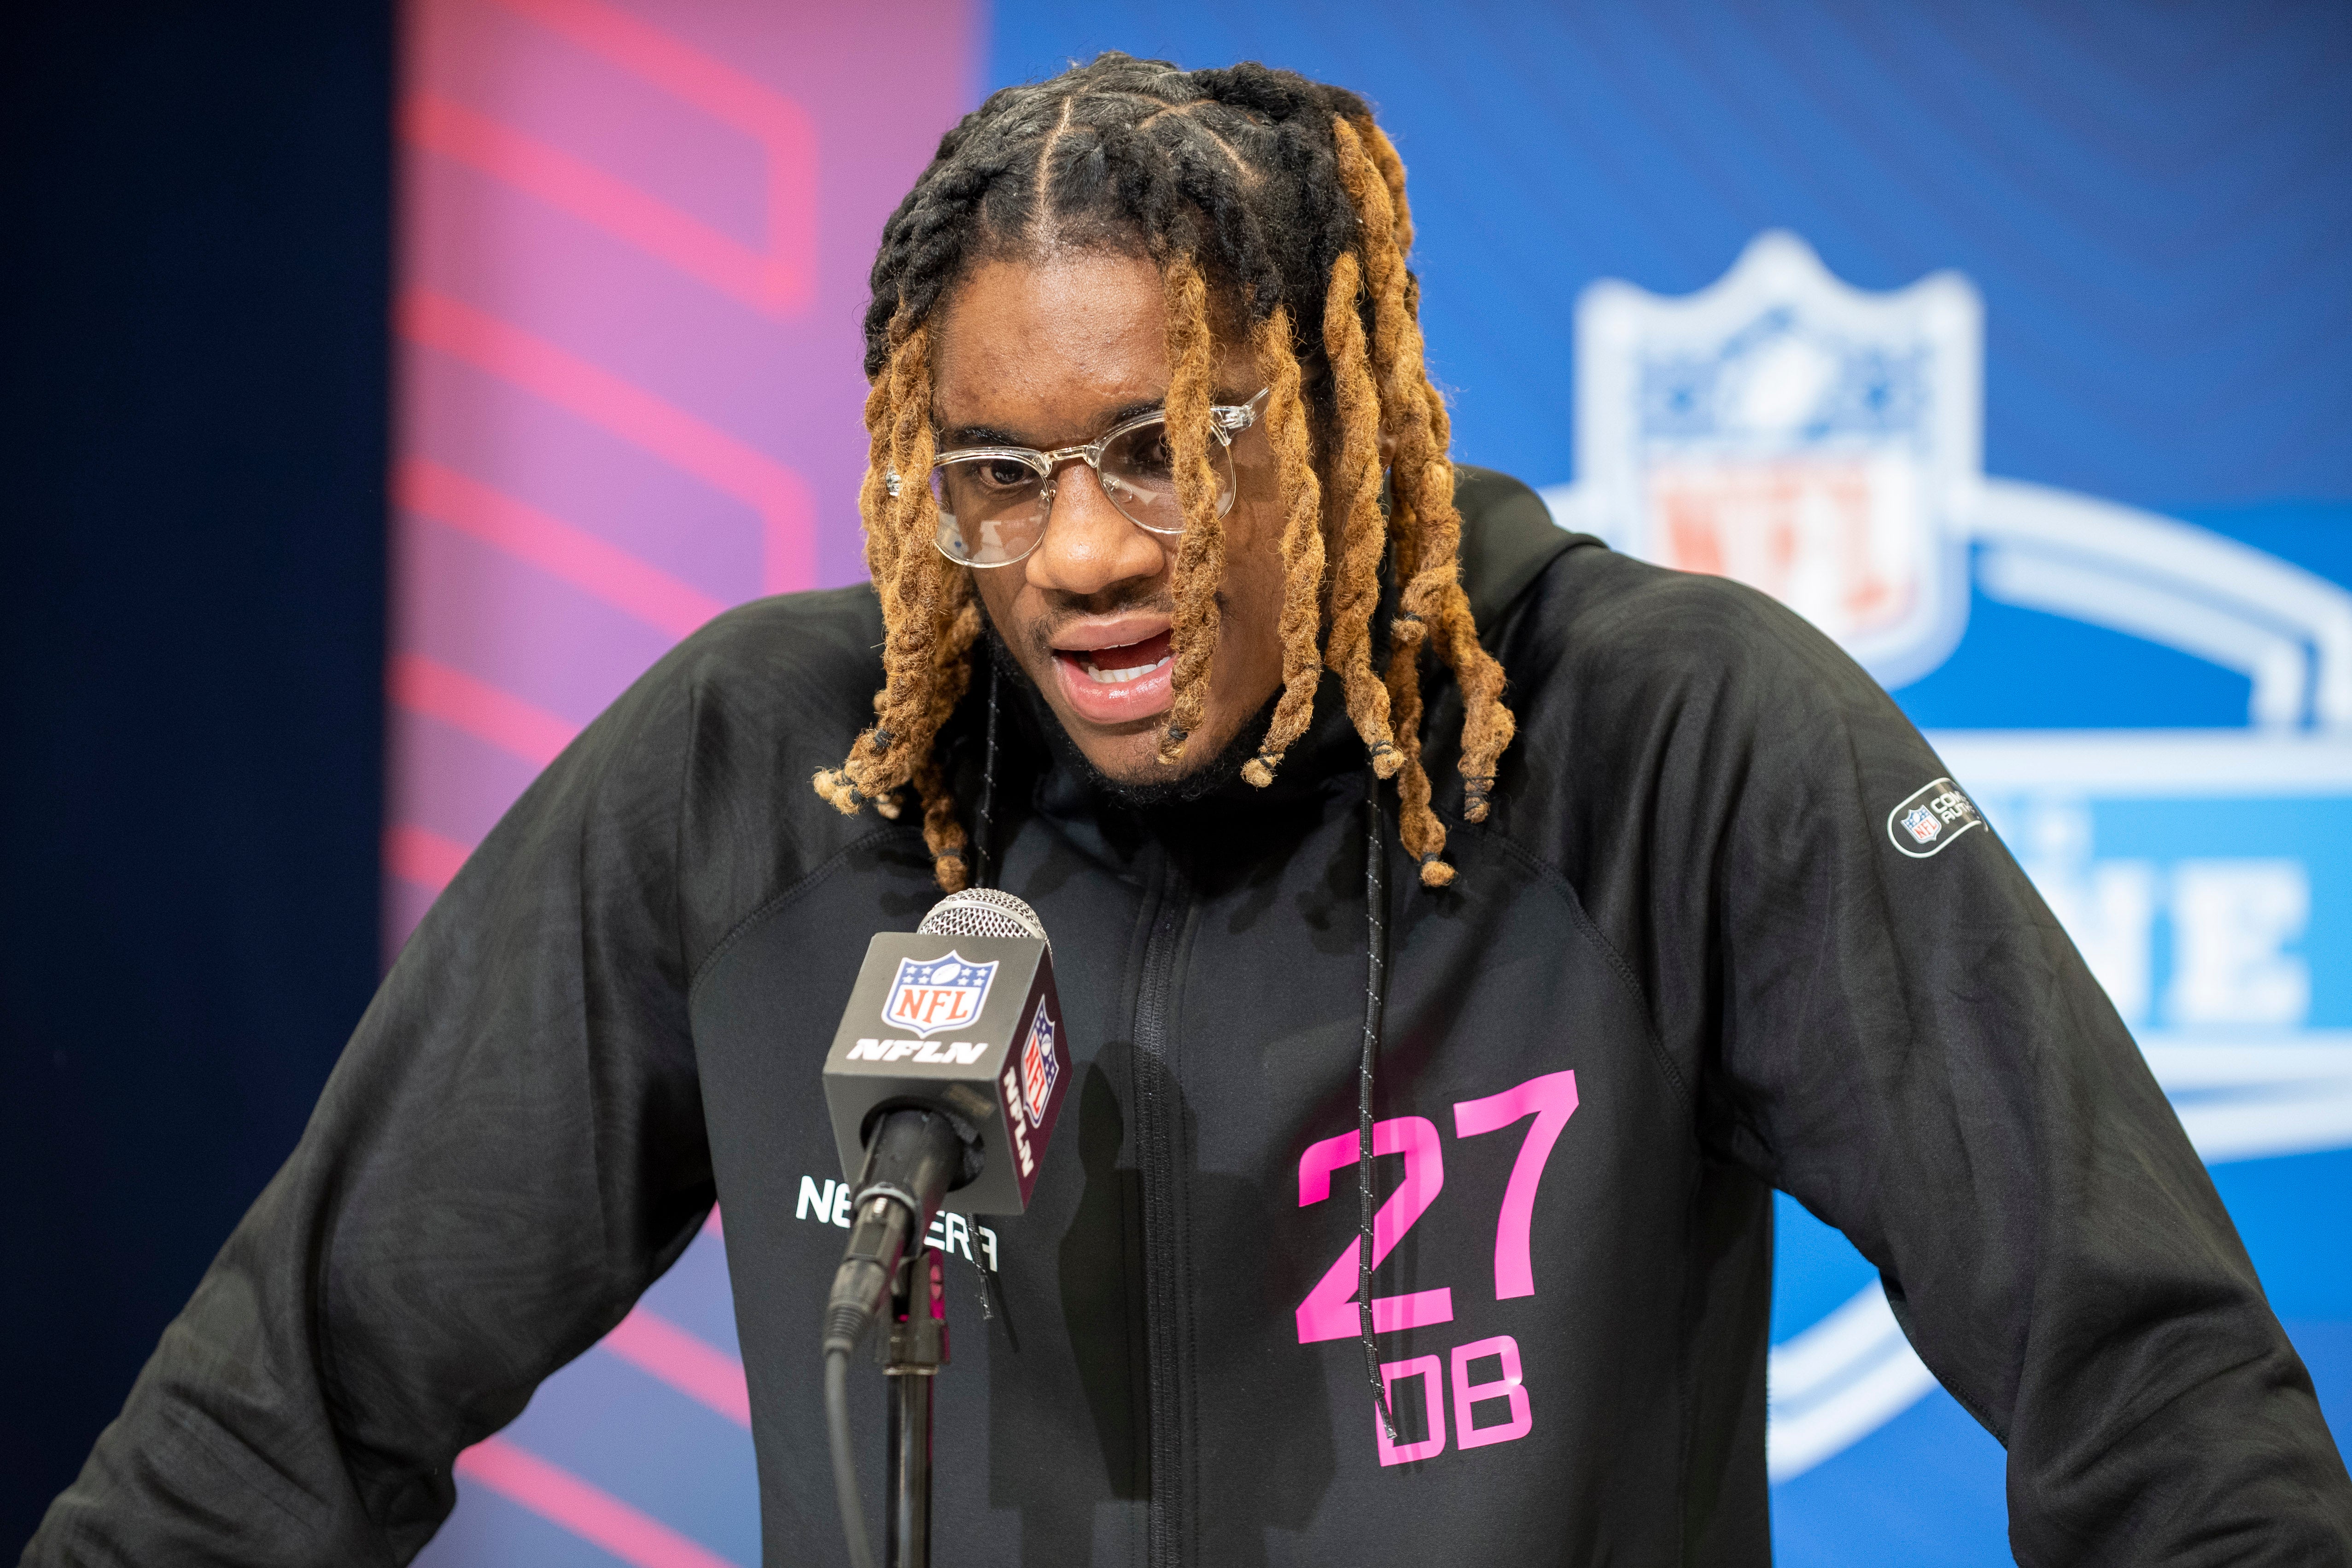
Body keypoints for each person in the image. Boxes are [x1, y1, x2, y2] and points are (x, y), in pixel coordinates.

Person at [24, 52, 2351, 1568]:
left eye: (1162, 444)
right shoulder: (768, 783)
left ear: (1334, 417)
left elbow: (2149, 1387)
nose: (1080, 555)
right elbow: (274, 1435)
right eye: (998, 477)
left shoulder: (1662, 739)